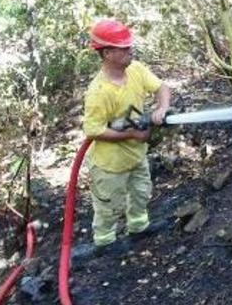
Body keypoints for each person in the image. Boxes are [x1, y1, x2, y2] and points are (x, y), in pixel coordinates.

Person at [73, 18, 171, 260]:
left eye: (129, 46)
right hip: (110, 165)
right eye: (124, 48)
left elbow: (163, 88)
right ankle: (105, 242)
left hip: (136, 155)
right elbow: (93, 130)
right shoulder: (98, 91)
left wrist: (162, 108)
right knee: (109, 206)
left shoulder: (136, 70)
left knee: (141, 193)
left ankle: (138, 228)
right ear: (107, 53)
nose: (130, 50)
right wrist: (130, 133)